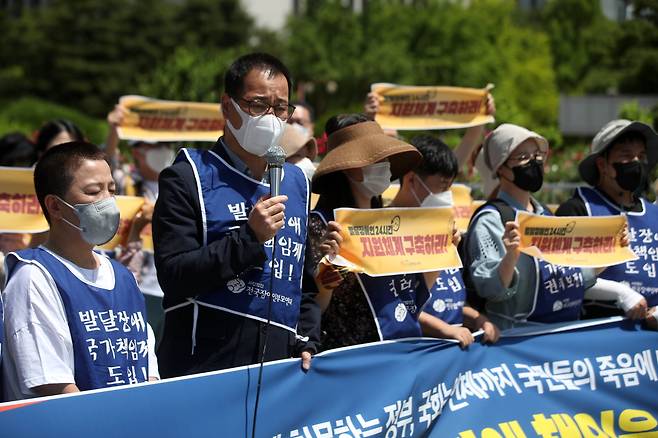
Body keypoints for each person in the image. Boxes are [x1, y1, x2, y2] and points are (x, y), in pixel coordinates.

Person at [152, 52, 320, 377]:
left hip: (278, 367)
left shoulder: (296, 182)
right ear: (228, 106)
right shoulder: (190, 176)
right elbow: (173, 275)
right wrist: (249, 238)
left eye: (280, 108)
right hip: (205, 365)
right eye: (257, 105)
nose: (270, 117)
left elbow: (304, 280)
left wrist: (306, 338)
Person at [1, 141, 159, 401]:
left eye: (111, 189)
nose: (108, 201)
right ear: (55, 206)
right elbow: (52, 384)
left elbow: (147, 370)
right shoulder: (35, 277)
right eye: (93, 191)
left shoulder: (123, 278)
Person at [467, 124, 647, 331]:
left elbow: (574, 277)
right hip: (513, 341)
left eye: (537, 156)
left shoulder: (544, 214)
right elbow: (490, 289)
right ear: (501, 168)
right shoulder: (491, 220)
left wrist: (611, 249)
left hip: (555, 335)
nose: (533, 163)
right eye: (523, 157)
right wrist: (510, 255)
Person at [308, 114, 447, 350]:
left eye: (385, 158)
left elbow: (412, 298)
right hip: (350, 356)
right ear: (347, 167)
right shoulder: (321, 225)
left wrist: (440, 252)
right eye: (373, 159)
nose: (385, 165)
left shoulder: (392, 223)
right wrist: (325, 284)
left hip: (400, 348)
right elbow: (311, 308)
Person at [390, 134, 500, 344]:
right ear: (411, 179)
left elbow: (450, 298)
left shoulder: (443, 230)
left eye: (450, 187)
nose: (446, 195)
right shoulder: (387, 234)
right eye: (441, 186)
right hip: (418, 349)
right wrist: (444, 330)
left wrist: (478, 319)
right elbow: (395, 305)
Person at [556, 119, 658, 325]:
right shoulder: (577, 211)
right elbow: (560, 280)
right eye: (627, 156)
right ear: (602, 164)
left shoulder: (654, 213)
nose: (636, 162)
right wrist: (621, 294)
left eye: (642, 156)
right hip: (597, 337)